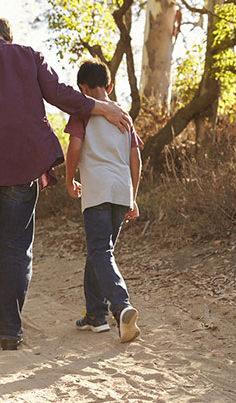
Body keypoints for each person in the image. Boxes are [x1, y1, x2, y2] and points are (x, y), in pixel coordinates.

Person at [0, 17, 133, 350]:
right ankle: (10, 329)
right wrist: (102, 108)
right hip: (22, 165)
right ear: (10, 39)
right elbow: (59, 95)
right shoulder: (30, 56)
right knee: (15, 247)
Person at [64, 59, 142, 343]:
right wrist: (132, 195)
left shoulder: (82, 112)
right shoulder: (125, 116)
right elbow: (136, 159)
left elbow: (74, 146)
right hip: (121, 192)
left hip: (96, 190)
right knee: (100, 252)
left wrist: (69, 178)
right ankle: (95, 316)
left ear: (81, 88)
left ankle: (121, 306)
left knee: (100, 252)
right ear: (109, 86)